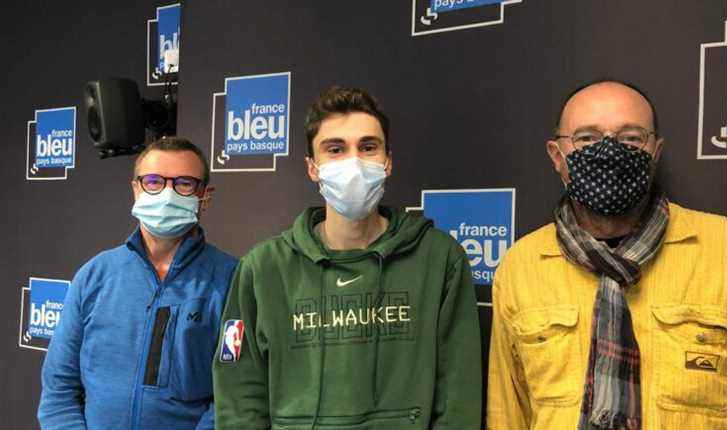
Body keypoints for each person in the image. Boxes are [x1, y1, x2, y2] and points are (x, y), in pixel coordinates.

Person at [486, 79, 727, 429]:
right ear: (557, 156)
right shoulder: (521, 266)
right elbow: (508, 413)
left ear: (655, 152)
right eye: (587, 138)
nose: (610, 152)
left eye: (631, 138)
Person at [213, 87, 482, 429]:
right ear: (312, 167)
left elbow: (459, 399)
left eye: (368, 147)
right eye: (335, 149)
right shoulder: (264, 268)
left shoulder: (439, 259)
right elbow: (238, 396)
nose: (353, 162)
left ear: (387, 162)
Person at [38, 137, 238, 429]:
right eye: (154, 181)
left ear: (205, 195)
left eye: (184, 183)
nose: (167, 194)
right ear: (136, 189)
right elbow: (59, 388)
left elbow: (231, 396)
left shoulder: (231, 279)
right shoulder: (95, 276)